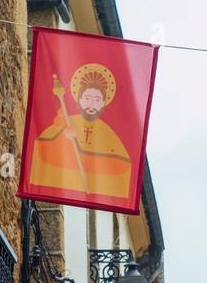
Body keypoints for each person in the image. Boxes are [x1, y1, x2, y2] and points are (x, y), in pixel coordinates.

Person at [29, 64, 132, 201]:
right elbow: (40, 148)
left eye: (97, 100)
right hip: (65, 177)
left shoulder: (107, 132)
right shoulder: (66, 121)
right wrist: (63, 138)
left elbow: (123, 166)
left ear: (103, 104)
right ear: (80, 101)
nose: (91, 105)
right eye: (87, 99)